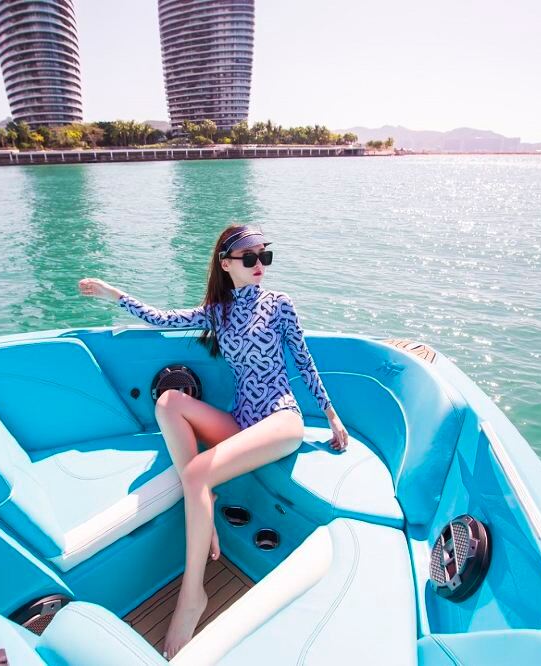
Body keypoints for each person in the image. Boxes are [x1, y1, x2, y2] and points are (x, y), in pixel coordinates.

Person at [77, 223, 349, 658]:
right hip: (242, 421)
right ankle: (201, 501)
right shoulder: (217, 312)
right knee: (169, 401)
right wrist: (115, 295)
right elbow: (162, 318)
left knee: (197, 474)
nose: (260, 265)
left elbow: (304, 361)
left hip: (281, 419)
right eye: (249, 257)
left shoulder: (279, 304)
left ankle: (193, 595)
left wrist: (331, 416)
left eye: (264, 256)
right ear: (226, 265)